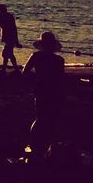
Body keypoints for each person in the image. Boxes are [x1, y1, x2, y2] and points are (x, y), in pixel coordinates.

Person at [22, 31, 66, 161]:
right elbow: (60, 79)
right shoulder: (59, 60)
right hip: (54, 92)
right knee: (50, 118)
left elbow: (25, 72)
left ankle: (34, 143)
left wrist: (37, 80)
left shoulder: (36, 56)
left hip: (42, 90)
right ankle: (45, 143)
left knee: (41, 118)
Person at [0, 3, 21, 72]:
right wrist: (17, 41)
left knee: (6, 54)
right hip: (10, 38)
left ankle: (12, 69)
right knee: (8, 54)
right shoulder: (8, 17)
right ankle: (10, 69)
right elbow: (14, 29)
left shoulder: (4, 17)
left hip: (10, 38)